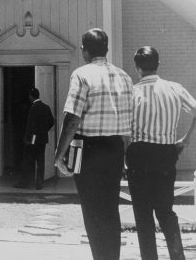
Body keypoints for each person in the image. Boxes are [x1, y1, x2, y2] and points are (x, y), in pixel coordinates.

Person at [54, 28, 133, 260]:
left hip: (86, 148)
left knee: (91, 209)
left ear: (84, 50)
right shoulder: (125, 77)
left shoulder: (81, 74)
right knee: (110, 208)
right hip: (115, 148)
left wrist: (59, 154)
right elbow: (129, 122)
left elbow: (72, 117)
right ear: (106, 49)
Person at [127, 46, 196, 260]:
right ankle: (177, 256)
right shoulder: (175, 89)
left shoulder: (132, 93)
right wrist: (184, 142)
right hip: (165, 154)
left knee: (143, 216)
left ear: (137, 68)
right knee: (165, 212)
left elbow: (124, 131)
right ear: (158, 65)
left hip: (139, 155)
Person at [13, 88, 54, 190]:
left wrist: (27, 139)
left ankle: (25, 183)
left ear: (31, 96)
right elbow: (51, 121)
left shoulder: (33, 108)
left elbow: (30, 125)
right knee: (41, 161)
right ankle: (39, 183)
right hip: (43, 138)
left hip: (33, 138)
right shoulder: (46, 107)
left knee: (28, 160)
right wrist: (44, 130)